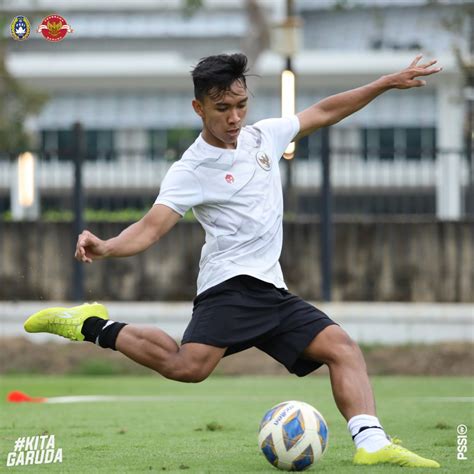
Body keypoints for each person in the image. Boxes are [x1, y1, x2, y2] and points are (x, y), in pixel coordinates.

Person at [24, 53, 441, 468]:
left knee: (342, 348)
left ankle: (371, 442)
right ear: (199, 108)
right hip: (230, 286)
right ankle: (91, 324)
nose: (235, 117)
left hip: (272, 289)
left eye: (241, 105)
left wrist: (384, 83)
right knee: (188, 367)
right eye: (222, 108)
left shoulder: (264, 138)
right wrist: (107, 246)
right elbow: (151, 228)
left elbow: (325, 111)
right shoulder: (191, 169)